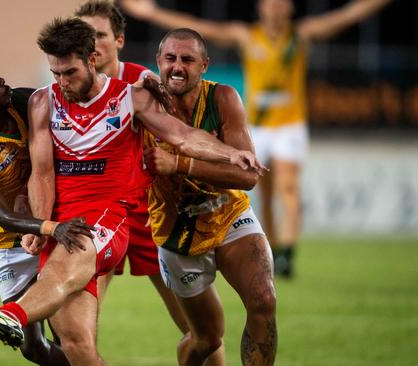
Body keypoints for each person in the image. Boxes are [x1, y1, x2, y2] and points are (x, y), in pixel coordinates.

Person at [0, 17, 265, 366]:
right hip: (63, 222)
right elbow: (42, 174)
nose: (62, 82)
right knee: (76, 345)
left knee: (61, 271)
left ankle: (7, 316)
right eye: (55, 73)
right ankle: (16, 316)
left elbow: (183, 136)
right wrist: (42, 226)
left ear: (92, 58)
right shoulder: (43, 101)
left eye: (69, 72)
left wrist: (232, 153)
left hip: (109, 216)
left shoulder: (130, 98)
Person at [121, 0, 392, 278]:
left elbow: (346, 15)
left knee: (289, 186)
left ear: (289, 8)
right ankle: (275, 247)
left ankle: (288, 251)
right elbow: (203, 31)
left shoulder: (301, 35)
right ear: (261, 8)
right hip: (258, 127)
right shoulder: (247, 36)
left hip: (290, 125)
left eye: (280, 3)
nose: (274, 8)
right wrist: (152, 13)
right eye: (269, 3)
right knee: (263, 189)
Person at [0, 44, 99, 365]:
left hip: (56, 223)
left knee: (69, 331)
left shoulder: (23, 101)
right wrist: (53, 228)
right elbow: (1, 215)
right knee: (31, 347)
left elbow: (80, 101)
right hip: (11, 241)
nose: (0, 80)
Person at [141, 28, 276, 366]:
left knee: (263, 300)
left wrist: (179, 164)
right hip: (177, 229)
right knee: (207, 339)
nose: (177, 66)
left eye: (188, 59)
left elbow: (247, 176)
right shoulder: (143, 103)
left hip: (228, 213)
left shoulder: (223, 98)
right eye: (170, 58)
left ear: (204, 65)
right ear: (158, 61)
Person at [74, 0, 190, 338]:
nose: (91, 43)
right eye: (83, 35)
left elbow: (179, 136)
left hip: (148, 211)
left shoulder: (145, 82)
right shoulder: (67, 87)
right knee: (78, 330)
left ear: (119, 40)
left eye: (99, 35)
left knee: (198, 328)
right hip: (95, 212)